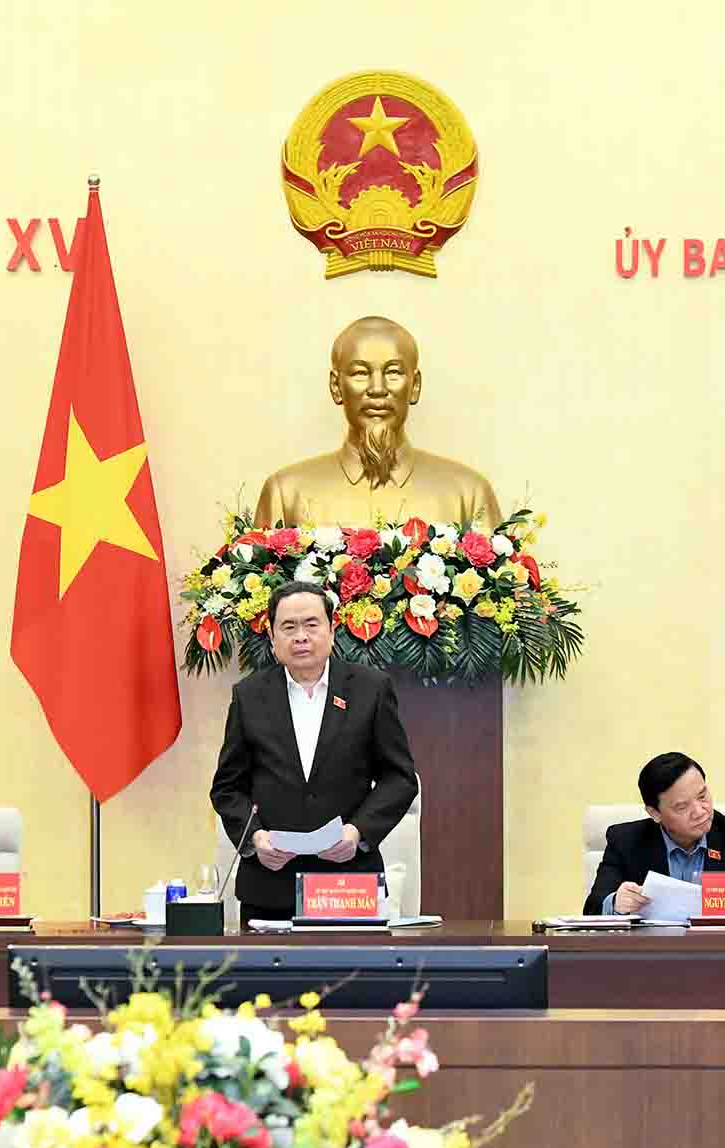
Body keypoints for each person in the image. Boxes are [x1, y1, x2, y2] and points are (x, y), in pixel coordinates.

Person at [209, 580, 419, 923]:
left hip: (348, 886)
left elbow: (399, 779)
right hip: (269, 887)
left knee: (353, 977)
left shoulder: (370, 689)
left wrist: (358, 833)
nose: (300, 636)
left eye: (311, 624)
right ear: (273, 639)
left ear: (332, 631)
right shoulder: (249, 695)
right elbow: (227, 788)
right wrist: (255, 839)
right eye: (288, 627)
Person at [253, 317, 504, 530]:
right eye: (360, 373)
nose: (377, 389)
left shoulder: (468, 494)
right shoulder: (286, 494)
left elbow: (503, 586)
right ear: (336, 386)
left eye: (393, 372)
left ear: (414, 386)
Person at [583, 752, 725, 915]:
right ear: (655, 813)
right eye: (682, 807)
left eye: (702, 796)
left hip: (724, 952)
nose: (701, 811)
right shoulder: (626, 841)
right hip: (653, 955)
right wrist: (616, 903)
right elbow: (593, 908)